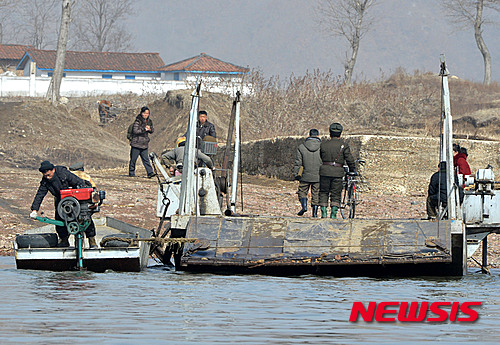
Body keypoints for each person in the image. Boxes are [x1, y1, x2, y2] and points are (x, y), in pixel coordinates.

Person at [30, 160, 97, 248]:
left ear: (53, 170)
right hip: (61, 201)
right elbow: (40, 194)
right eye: (45, 176)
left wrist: (85, 196)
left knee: (85, 218)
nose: (48, 177)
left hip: (75, 199)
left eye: (49, 175)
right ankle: (64, 240)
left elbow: (78, 181)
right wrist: (34, 210)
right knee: (60, 221)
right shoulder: (45, 181)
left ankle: (92, 241)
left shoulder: (63, 173)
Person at [319, 122, 355, 219]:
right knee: (336, 193)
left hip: (324, 171)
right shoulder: (343, 145)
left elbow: (320, 157)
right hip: (338, 173)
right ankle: (333, 214)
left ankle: (323, 213)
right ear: (340, 133)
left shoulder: (323, 144)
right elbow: (349, 159)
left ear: (330, 133)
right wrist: (352, 169)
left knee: (323, 192)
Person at [293, 129, 322, 217]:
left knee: (302, 191)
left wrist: (296, 174)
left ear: (309, 135)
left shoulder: (301, 147)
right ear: (317, 136)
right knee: (316, 193)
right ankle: (314, 213)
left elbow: (298, 162)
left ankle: (304, 206)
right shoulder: (322, 147)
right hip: (318, 175)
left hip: (305, 174)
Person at [129, 106, 155, 178]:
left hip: (144, 144)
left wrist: (149, 129)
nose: (146, 115)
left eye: (147, 113)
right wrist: (144, 129)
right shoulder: (137, 121)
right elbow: (135, 131)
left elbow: (152, 131)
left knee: (146, 160)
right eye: (144, 113)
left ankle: (150, 173)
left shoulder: (149, 121)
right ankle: (131, 173)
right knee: (133, 160)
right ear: (141, 113)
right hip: (136, 144)